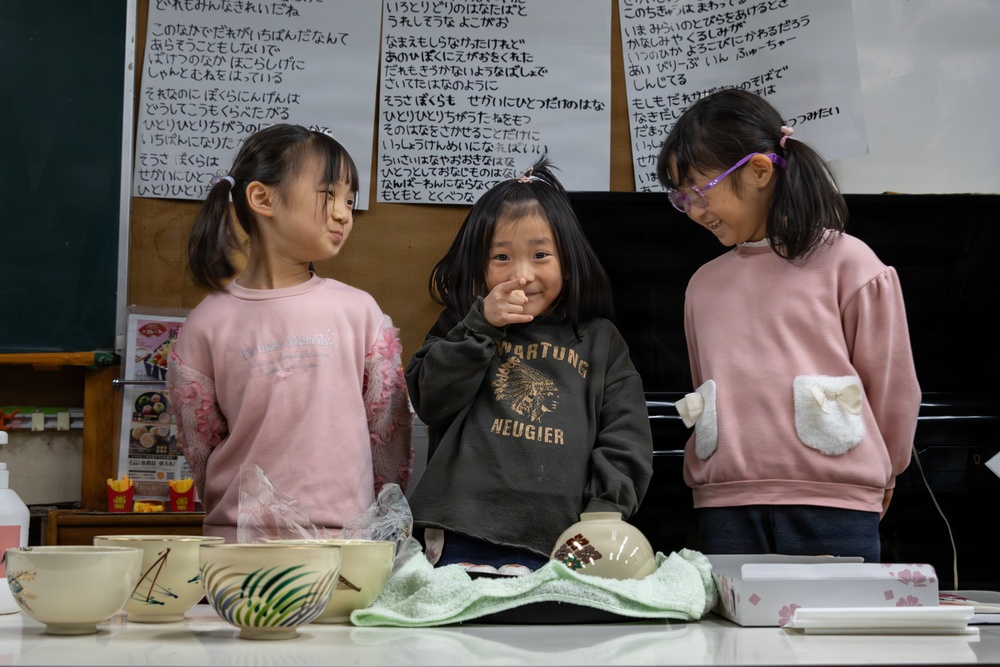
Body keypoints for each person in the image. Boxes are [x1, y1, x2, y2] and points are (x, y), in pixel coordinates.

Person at [656, 88, 921, 561]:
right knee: (733, 614)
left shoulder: (852, 263)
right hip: (726, 502)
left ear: (759, 171)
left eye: (698, 190)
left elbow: (892, 387)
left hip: (833, 499)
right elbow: (703, 384)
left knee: (835, 613)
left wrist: (887, 471)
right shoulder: (702, 285)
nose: (693, 210)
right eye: (681, 197)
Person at [166, 123, 412, 542]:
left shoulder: (358, 312)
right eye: (328, 194)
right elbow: (199, 447)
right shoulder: (207, 323)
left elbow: (389, 433)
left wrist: (376, 527)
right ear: (263, 198)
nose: (344, 213)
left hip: (344, 542)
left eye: (349, 200)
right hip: (238, 545)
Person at [405, 157, 654, 571]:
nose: (521, 275)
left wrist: (603, 515)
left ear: (568, 262)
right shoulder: (462, 324)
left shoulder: (600, 340)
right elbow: (431, 399)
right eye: (501, 257)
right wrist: (481, 326)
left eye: (540, 254)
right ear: (478, 266)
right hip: (462, 528)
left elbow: (626, 437)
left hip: (566, 538)